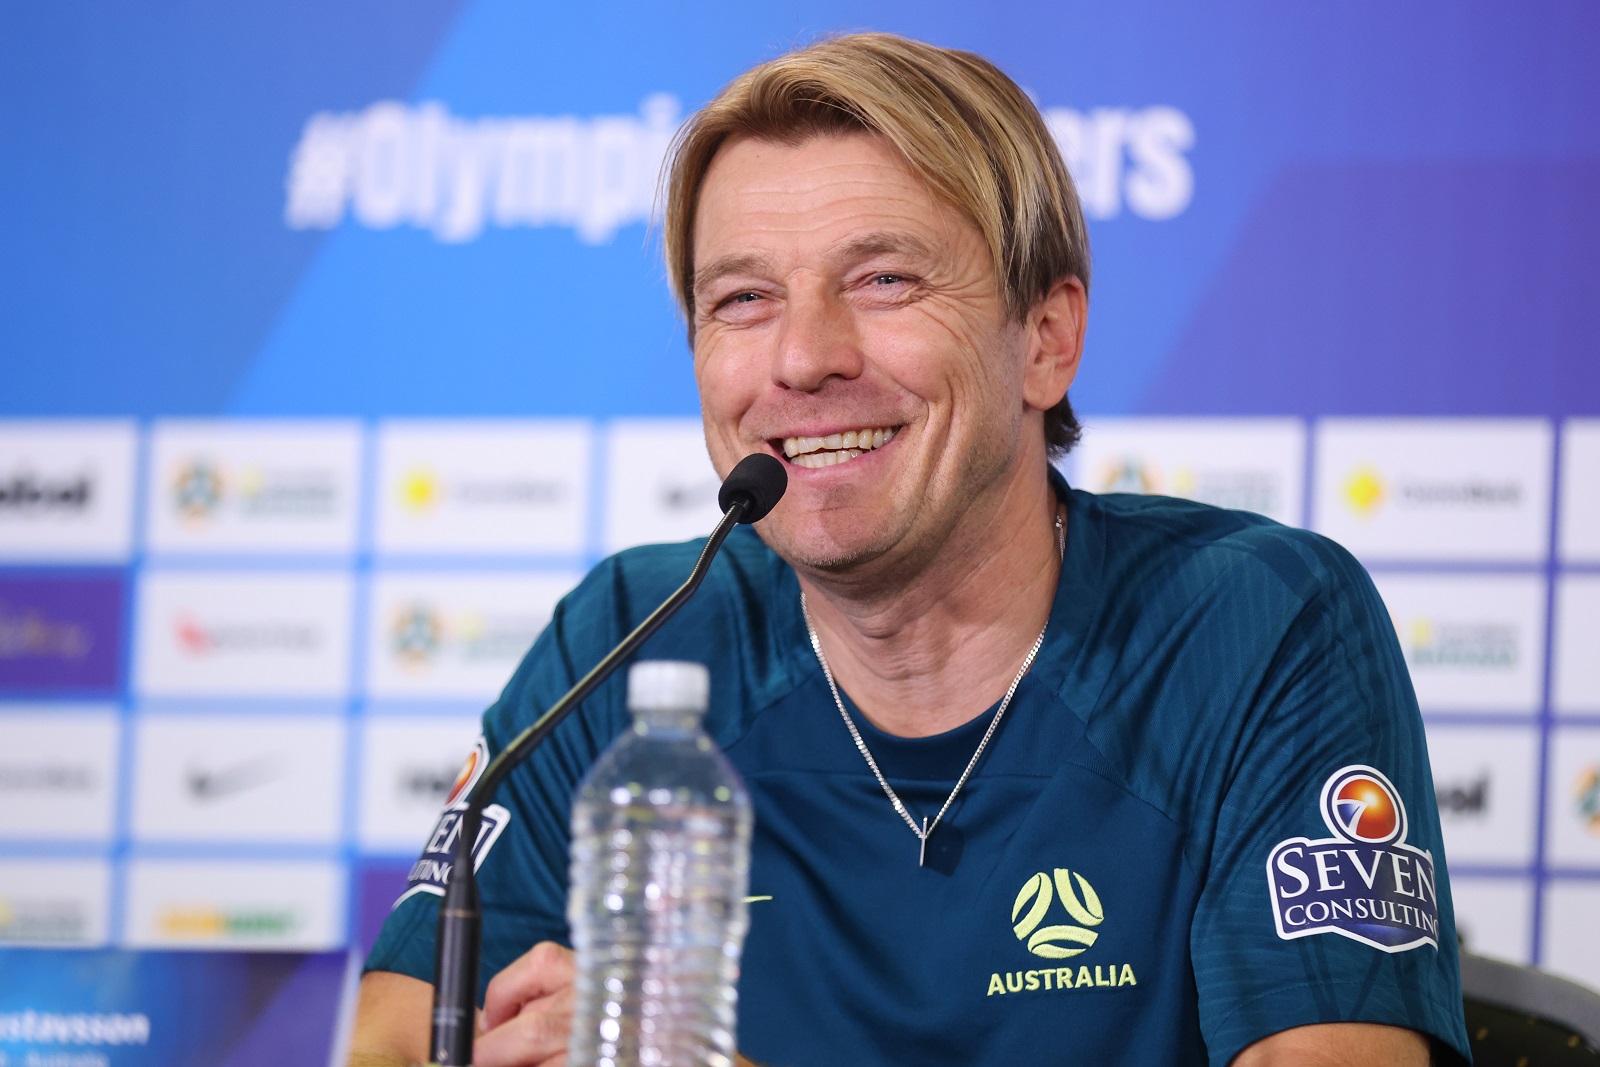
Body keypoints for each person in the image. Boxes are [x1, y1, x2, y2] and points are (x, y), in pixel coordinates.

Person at [348, 32, 1470, 1067]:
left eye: (883, 279)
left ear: (1046, 338)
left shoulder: (1255, 623)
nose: (802, 357)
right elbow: (393, 1035)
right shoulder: (631, 637)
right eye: (741, 299)